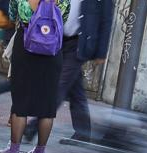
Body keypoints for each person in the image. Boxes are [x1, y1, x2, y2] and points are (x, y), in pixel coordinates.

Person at [22, 0, 113, 142]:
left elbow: (106, 20)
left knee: (59, 85)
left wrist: (101, 52)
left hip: (79, 43)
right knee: (76, 91)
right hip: (59, 39)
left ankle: (33, 126)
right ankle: (83, 134)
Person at [0, 0, 70, 153]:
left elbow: (11, 14)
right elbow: (63, 18)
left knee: (20, 99)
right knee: (47, 105)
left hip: (26, 44)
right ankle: (39, 152)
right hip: (52, 48)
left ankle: (14, 149)